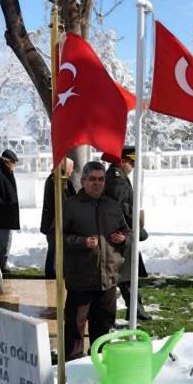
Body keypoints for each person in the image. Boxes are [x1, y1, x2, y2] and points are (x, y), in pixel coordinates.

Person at [63, 161, 129, 360]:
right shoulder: (70, 206)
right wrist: (81, 242)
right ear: (83, 181)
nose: (97, 183)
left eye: (101, 179)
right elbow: (57, 236)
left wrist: (124, 237)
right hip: (81, 278)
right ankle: (73, 364)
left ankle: (99, 361)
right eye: (92, 179)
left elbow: (126, 230)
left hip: (107, 278)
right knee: (75, 325)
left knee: (103, 324)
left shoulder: (112, 205)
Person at [104, 146, 151, 321]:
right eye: (131, 162)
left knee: (126, 277)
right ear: (122, 161)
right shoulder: (118, 180)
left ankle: (136, 309)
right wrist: (139, 231)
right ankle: (136, 310)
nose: (132, 166)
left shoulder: (116, 177)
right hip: (122, 235)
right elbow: (123, 210)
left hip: (121, 234)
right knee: (127, 276)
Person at [40, 158, 76, 279]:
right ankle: (51, 279)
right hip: (55, 224)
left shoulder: (56, 179)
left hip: (56, 223)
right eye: (71, 167)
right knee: (54, 253)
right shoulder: (57, 180)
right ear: (65, 167)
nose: (73, 170)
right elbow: (64, 203)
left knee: (56, 252)